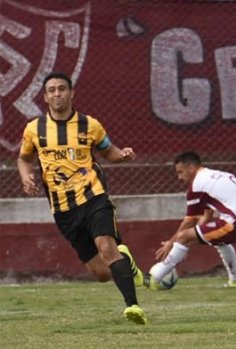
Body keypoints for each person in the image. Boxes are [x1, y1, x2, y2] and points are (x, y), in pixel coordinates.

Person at [17, 72, 147, 324]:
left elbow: (110, 153)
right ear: (45, 97)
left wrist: (124, 155)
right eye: (52, 90)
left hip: (93, 196)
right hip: (63, 209)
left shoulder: (91, 125)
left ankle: (133, 306)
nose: (57, 94)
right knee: (100, 273)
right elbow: (24, 158)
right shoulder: (34, 129)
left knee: (107, 247)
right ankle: (127, 262)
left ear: (71, 93)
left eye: (62, 89)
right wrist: (25, 176)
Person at [147, 151, 236, 289]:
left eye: (181, 172)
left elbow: (189, 221)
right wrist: (191, 238)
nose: (179, 177)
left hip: (235, 223)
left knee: (183, 236)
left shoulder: (197, 184)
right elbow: (207, 215)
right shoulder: (215, 176)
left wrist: (172, 243)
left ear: (191, 167)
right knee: (216, 241)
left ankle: (154, 278)